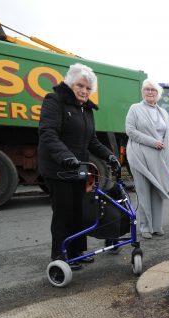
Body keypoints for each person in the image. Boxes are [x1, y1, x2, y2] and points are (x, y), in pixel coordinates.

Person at [38, 63, 120, 271]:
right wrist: (65, 156)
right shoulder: (54, 101)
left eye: (88, 88)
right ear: (70, 83)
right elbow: (48, 133)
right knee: (63, 212)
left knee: (79, 211)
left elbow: (91, 140)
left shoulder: (85, 109)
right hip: (58, 168)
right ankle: (60, 255)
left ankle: (76, 252)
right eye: (80, 86)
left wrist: (109, 156)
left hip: (79, 168)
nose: (84, 91)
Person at [125, 79, 169, 239]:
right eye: (147, 89)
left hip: (159, 157)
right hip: (139, 155)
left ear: (158, 94)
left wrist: (167, 150)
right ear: (143, 91)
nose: (149, 92)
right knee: (143, 191)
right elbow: (130, 131)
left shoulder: (163, 112)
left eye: (153, 90)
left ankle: (156, 226)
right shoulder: (135, 108)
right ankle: (145, 227)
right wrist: (152, 142)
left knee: (158, 191)